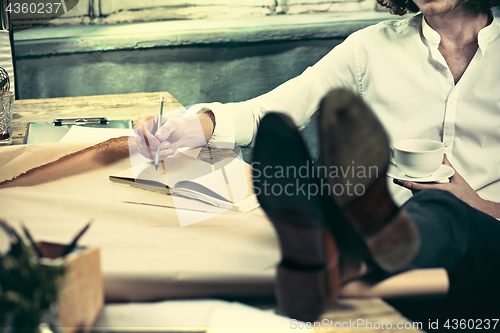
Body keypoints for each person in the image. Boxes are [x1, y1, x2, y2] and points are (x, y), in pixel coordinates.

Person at [135, 0, 500, 322]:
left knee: (440, 207)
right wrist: (190, 128)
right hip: (394, 255)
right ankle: (337, 241)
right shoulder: (371, 48)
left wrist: (479, 204)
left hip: (487, 244)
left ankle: (333, 249)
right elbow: (271, 109)